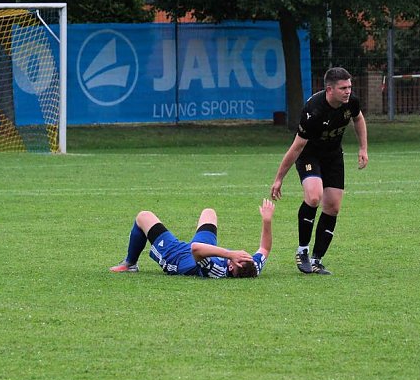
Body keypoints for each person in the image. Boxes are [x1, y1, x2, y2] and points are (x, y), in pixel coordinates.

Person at [270, 67, 368, 275]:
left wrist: (363, 148)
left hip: (333, 156)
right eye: (343, 88)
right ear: (329, 89)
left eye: (349, 87)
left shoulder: (351, 103)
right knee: (314, 197)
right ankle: (302, 251)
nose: (348, 91)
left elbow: (358, 119)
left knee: (332, 207)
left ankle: (317, 260)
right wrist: (279, 179)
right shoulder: (313, 110)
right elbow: (296, 147)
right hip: (309, 155)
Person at [109, 199, 275, 278]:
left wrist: (229, 254)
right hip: (206, 248)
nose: (242, 254)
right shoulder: (252, 266)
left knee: (143, 217)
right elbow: (265, 248)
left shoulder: (216, 270)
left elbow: (196, 248)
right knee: (209, 212)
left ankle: (129, 264)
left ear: (231, 268)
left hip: (178, 257)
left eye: (238, 257)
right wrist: (267, 220)